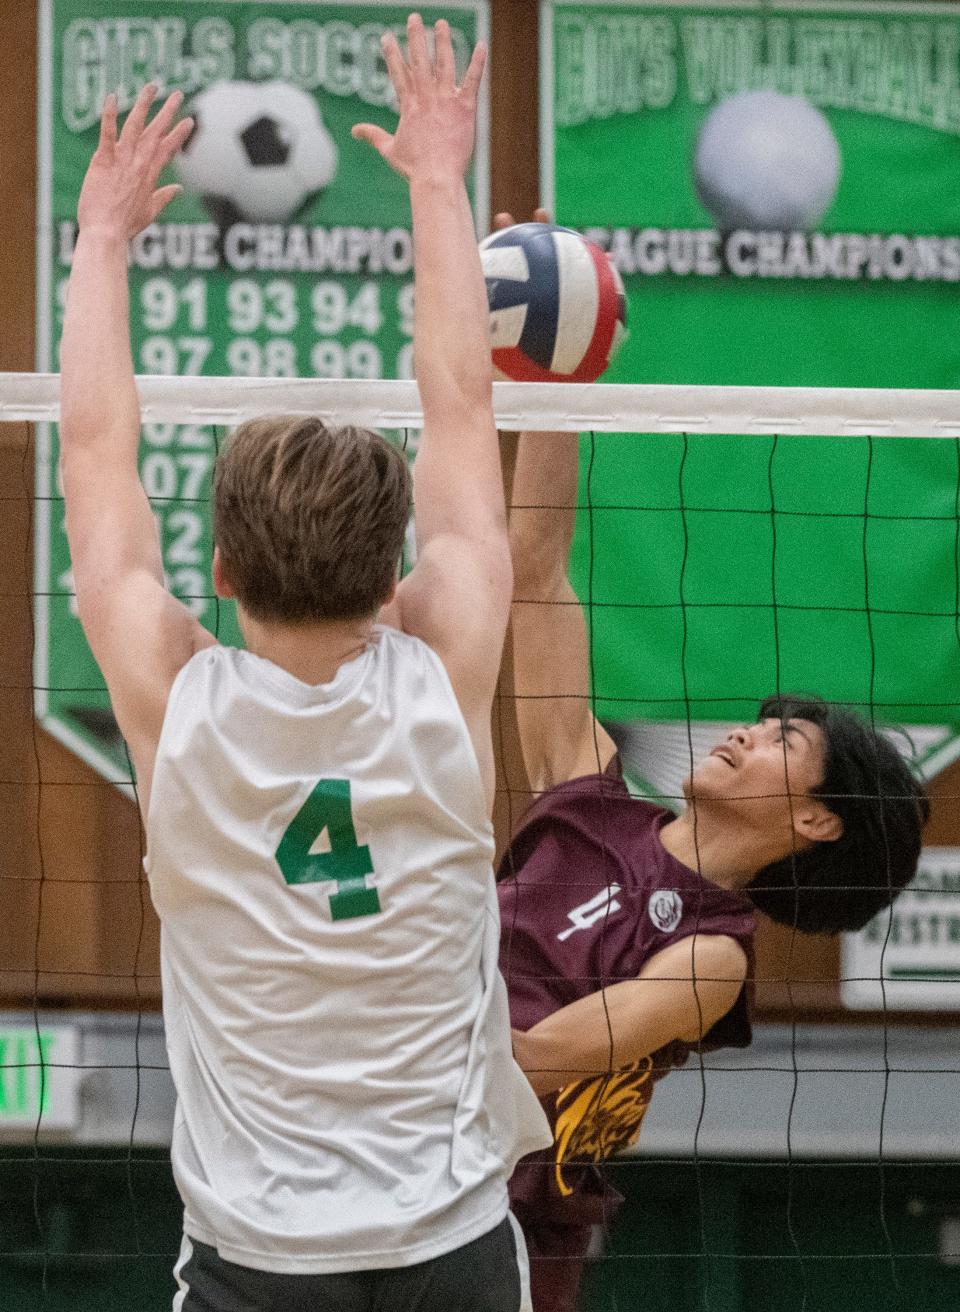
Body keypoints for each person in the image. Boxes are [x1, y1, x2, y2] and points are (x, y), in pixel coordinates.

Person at [58, 19, 550, 1311]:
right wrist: (438, 181)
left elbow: (96, 458)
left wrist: (100, 239)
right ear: (395, 579)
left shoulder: (180, 704)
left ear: (218, 575)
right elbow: (461, 399)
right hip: (448, 1243)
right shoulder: (442, 671)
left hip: (258, 1263)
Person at [494, 384, 929, 1308]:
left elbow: (550, 1051)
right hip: (396, 1162)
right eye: (758, 722)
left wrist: (371, 1023)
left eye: (783, 742)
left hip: (511, 1234)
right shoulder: (583, 792)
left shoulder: (711, 958)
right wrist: (553, 388)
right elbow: (533, 572)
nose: (743, 733)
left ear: (817, 820)